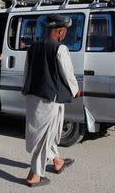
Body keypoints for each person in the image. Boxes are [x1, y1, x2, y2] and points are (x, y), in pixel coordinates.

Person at [22, 14, 81, 187]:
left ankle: (57, 160)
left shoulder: (32, 47)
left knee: (50, 131)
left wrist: (26, 90)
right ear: (61, 31)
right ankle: (34, 175)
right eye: (65, 31)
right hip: (49, 98)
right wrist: (75, 89)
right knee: (44, 135)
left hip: (33, 96)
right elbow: (67, 73)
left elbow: (26, 73)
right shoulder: (59, 48)